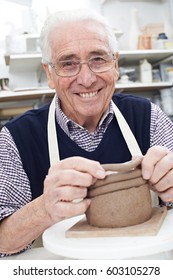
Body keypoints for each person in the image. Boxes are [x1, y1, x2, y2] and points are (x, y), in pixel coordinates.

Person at [0, 9, 173, 258]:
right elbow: (3, 244)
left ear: (115, 63)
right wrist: (44, 210)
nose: (87, 78)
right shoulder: (16, 139)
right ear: (49, 73)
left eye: (98, 59)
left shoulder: (148, 117)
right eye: (68, 63)